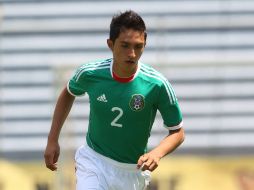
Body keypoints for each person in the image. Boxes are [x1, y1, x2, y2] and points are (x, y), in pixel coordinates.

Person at [44, 10, 185, 190]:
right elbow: (68, 92)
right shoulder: (91, 74)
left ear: (145, 44)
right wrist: (52, 139)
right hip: (94, 161)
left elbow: (178, 132)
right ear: (110, 44)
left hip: (132, 171)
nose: (132, 53)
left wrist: (156, 153)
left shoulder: (157, 85)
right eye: (125, 45)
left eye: (138, 46)